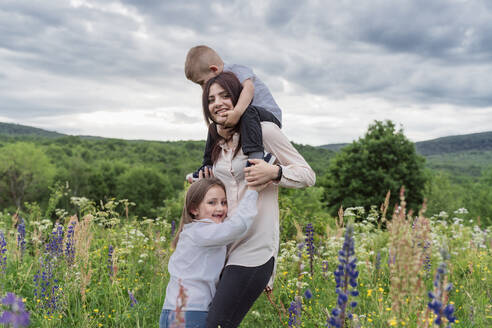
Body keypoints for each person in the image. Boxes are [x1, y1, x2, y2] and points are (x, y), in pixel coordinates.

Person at [201, 72, 316, 328]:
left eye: (224, 95)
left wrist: (274, 172)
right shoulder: (216, 140)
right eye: (211, 99)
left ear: (239, 98)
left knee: (216, 324)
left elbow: (308, 175)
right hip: (221, 247)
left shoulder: (264, 131)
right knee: (198, 319)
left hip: (254, 248)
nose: (217, 103)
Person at [159, 177, 267, 328]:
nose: (220, 208)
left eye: (224, 202)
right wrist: (252, 191)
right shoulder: (203, 232)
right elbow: (238, 226)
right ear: (194, 209)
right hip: (191, 312)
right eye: (212, 202)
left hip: (170, 311)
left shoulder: (191, 231)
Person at [184, 45, 282, 181]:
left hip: (268, 116)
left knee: (248, 111)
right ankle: (207, 166)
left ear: (214, 69)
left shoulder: (236, 69)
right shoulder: (222, 78)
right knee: (215, 124)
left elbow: (249, 89)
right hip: (249, 119)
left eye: (202, 83)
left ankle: (257, 156)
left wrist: (236, 112)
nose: (203, 88)